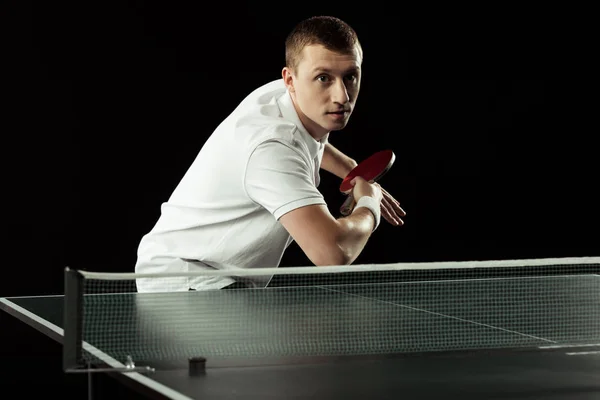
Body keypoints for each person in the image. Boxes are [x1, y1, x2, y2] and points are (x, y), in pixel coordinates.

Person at [134, 16, 406, 292]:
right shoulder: (272, 149)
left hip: (213, 278)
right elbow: (332, 252)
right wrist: (369, 204)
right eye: (324, 78)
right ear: (290, 79)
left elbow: (305, 139)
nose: (342, 97)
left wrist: (350, 169)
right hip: (184, 281)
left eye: (350, 76)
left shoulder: (281, 98)